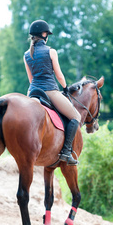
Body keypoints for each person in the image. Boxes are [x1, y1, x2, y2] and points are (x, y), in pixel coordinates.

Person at [23, 20, 81, 165]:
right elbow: (59, 75)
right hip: (50, 91)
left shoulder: (26, 55)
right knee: (76, 116)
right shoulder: (51, 51)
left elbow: (31, 79)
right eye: (47, 34)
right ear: (44, 34)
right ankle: (66, 152)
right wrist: (65, 87)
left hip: (32, 92)